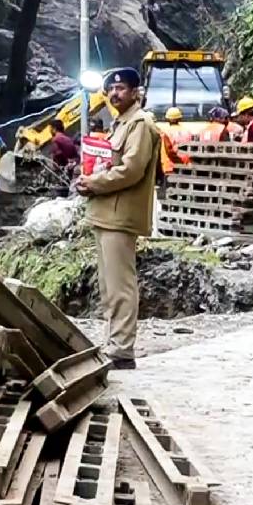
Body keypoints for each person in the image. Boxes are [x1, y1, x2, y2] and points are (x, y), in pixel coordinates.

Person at [75, 68, 159, 369]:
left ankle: (122, 351)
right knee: (109, 285)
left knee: (120, 284)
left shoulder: (139, 124)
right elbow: (111, 164)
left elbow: (131, 169)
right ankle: (114, 343)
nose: (114, 94)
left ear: (136, 92)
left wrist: (94, 182)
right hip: (106, 213)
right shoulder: (119, 124)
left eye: (121, 88)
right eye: (110, 89)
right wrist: (87, 180)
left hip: (120, 214)